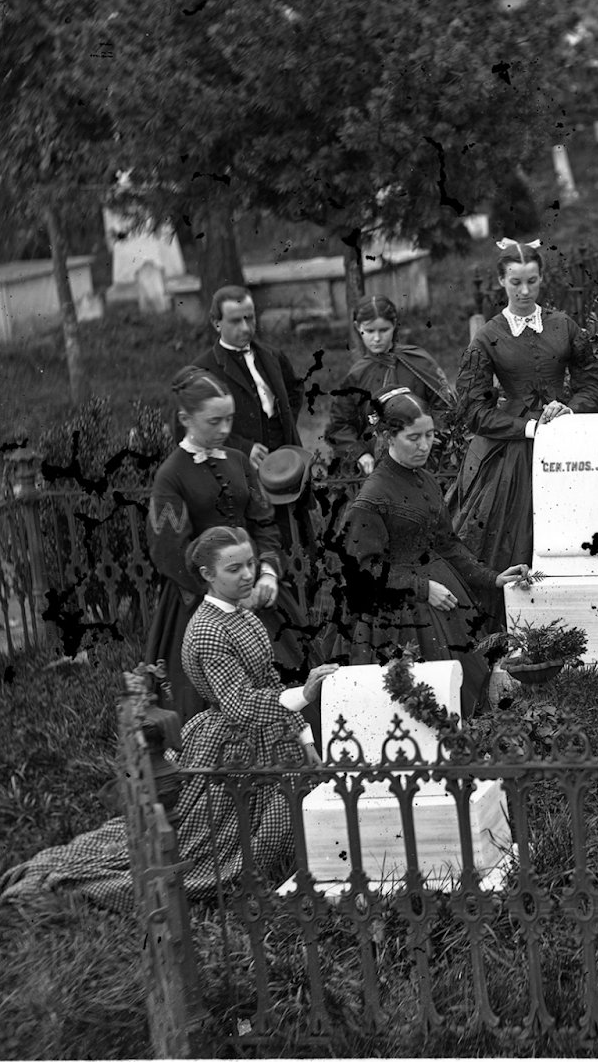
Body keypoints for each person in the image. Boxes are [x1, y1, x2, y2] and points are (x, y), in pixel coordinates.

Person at [0, 526, 338, 911]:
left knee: (280, 821)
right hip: (231, 746)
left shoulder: (244, 614)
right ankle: (73, 886)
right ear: (208, 575)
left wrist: (305, 739)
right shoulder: (208, 631)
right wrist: (305, 695)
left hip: (268, 735)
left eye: (250, 564)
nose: (247, 575)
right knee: (207, 850)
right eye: (234, 569)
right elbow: (239, 706)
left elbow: (267, 680)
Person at [446, 240, 598, 630]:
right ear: (501, 281)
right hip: (515, 451)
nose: (524, 291)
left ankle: (579, 621)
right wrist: (529, 427)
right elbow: (474, 410)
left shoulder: (562, 325)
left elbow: (594, 383)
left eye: (532, 281)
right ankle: (516, 628)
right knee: (513, 535)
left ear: (540, 280)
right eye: (515, 282)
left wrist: (571, 410)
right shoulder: (488, 337)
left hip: (568, 439)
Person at [338, 389, 531, 714]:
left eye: (429, 435)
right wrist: (423, 589)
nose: (425, 445)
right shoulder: (371, 499)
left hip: (446, 594)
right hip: (400, 614)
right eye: (414, 438)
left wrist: (493, 578)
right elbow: (363, 571)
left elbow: (447, 544)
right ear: (388, 437)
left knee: (468, 679)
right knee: (432, 695)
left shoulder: (425, 479)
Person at [145, 367, 312, 732]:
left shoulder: (237, 461)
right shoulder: (170, 476)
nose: (224, 429)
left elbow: (264, 522)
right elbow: (169, 551)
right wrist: (225, 590)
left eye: (229, 420)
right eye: (214, 421)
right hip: (204, 601)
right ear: (185, 419)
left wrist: (266, 572)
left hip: (259, 589)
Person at [191, 284, 315, 551]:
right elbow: (190, 430)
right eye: (236, 321)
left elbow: (294, 390)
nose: (246, 328)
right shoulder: (203, 370)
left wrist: (284, 424)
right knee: (264, 543)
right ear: (216, 323)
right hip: (243, 474)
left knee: (300, 545)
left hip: (285, 461)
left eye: (250, 318)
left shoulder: (271, 355)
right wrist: (242, 447)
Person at [324, 295, 455, 476]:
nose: (377, 338)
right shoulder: (356, 376)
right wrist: (360, 454)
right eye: (369, 331)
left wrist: (431, 441)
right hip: (375, 467)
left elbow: (444, 407)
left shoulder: (418, 363)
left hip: (423, 459)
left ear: (394, 325)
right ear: (357, 327)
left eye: (384, 330)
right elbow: (340, 424)